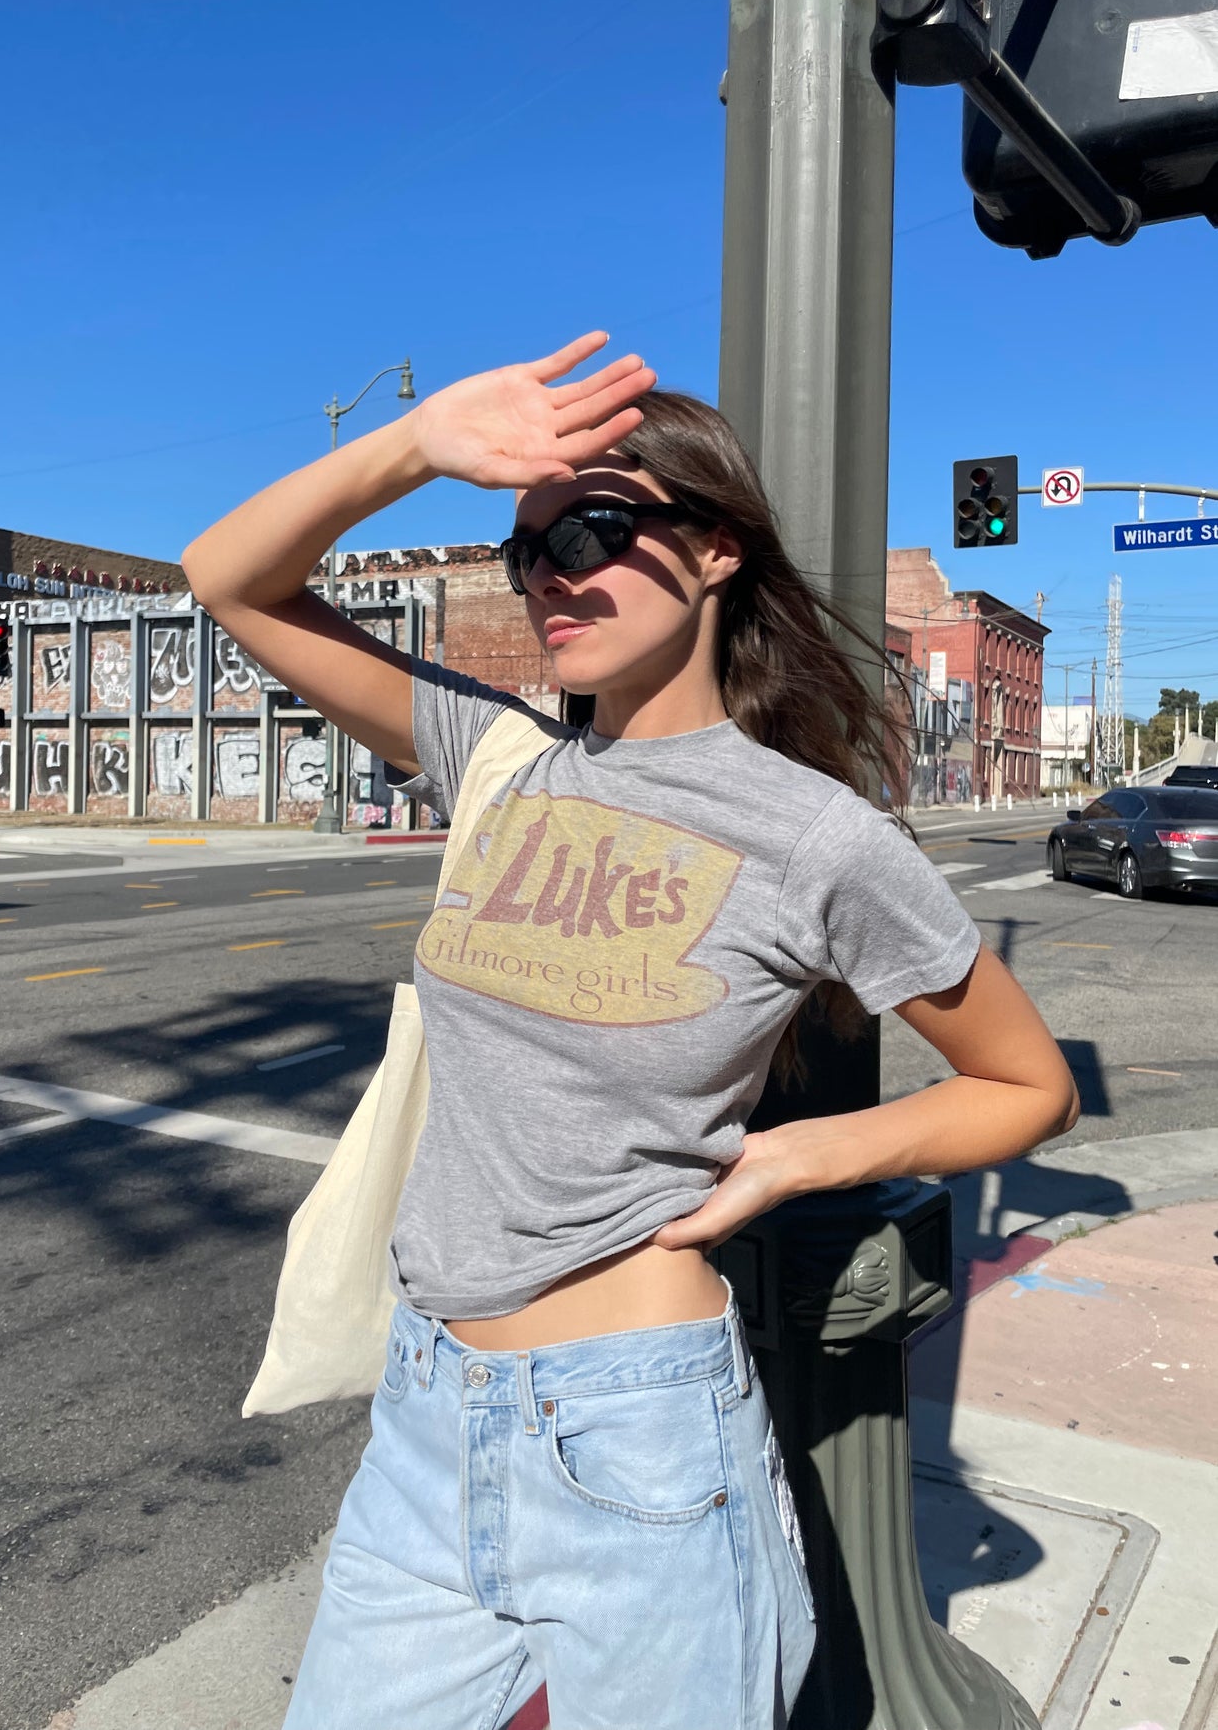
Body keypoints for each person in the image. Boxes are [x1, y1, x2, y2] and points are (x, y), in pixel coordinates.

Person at [181, 333, 1078, 1730]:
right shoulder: (494, 756)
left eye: (593, 529)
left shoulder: (815, 838)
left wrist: (805, 1157)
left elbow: (1021, 1086)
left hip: (635, 1436)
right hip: (426, 1414)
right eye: (522, 551)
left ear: (715, 552)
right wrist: (413, 446)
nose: (550, 576)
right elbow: (226, 577)